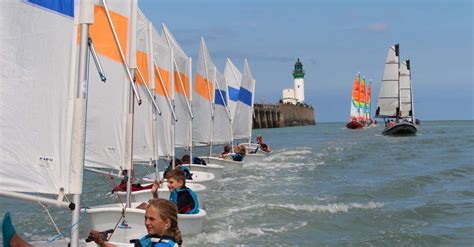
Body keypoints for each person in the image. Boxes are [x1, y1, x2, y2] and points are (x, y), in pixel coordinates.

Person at [89, 198, 183, 247]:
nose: (146, 222)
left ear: (167, 223)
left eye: (152, 219)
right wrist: (101, 242)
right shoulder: (153, 239)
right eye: (145, 218)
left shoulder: (164, 245)